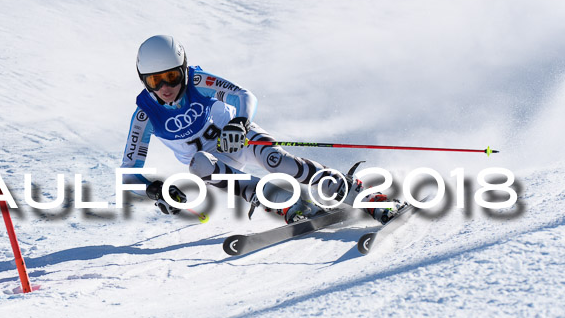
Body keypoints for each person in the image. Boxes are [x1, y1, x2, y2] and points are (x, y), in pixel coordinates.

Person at [121, 35, 401, 224]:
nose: (165, 88)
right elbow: (128, 175)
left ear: (182, 69)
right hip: (217, 163)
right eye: (155, 80)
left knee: (277, 162)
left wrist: (238, 122)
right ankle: (288, 204)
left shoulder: (197, 80)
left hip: (238, 138)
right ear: (143, 80)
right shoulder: (145, 115)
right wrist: (153, 190)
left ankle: (365, 197)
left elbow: (244, 96)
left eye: (171, 76)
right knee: (200, 164)